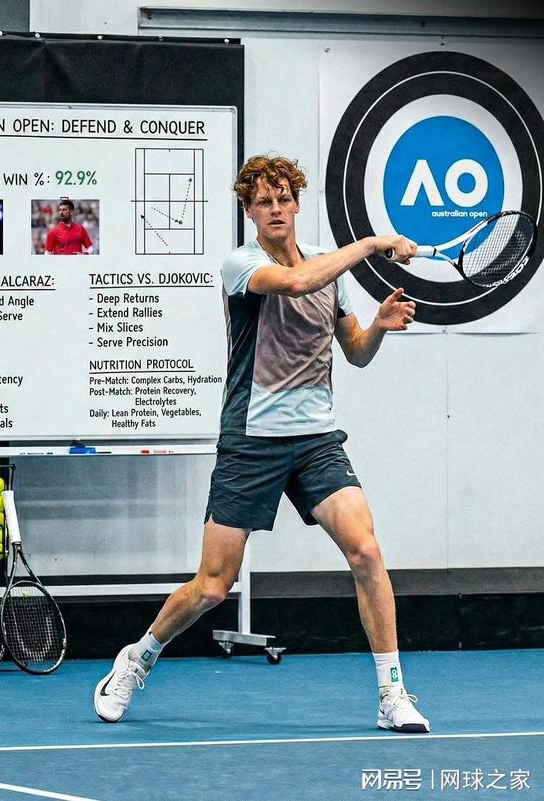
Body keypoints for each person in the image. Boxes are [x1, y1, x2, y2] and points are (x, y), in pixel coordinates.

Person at [94, 155, 430, 734]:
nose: (275, 209)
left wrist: (378, 324)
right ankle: (137, 658)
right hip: (251, 440)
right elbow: (297, 282)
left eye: (282, 199)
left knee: (367, 553)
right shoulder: (242, 264)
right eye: (262, 202)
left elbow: (355, 352)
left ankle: (392, 693)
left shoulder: (330, 271)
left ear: (296, 203)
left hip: (317, 440)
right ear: (249, 212)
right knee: (213, 586)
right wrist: (374, 243)